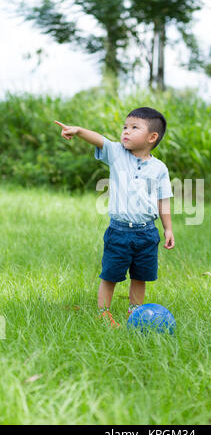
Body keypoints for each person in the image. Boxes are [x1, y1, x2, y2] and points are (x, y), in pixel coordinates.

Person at [54, 106, 175, 328]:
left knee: (141, 276)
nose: (126, 132)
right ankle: (103, 313)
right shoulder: (118, 153)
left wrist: (167, 229)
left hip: (148, 233)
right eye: (125, 127)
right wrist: (79, 130)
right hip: (119, 231)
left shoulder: (160, 169)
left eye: (134, 127)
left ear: (152, 137)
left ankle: (134, 312)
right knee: (110, 274)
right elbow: (99, 140)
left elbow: (163, 200)